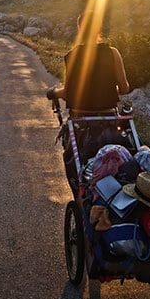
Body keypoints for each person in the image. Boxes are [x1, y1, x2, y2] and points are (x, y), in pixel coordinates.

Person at [47, 10, 130, 192]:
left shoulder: (73, 55)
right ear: (99, 28)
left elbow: (68, 93)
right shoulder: (113, 53)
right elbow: (124, 88)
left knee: (75, 166)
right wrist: (109, 89)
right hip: (109, 120)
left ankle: (82, 198)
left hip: (82, 122)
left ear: (80, 29)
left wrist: (53, 92)